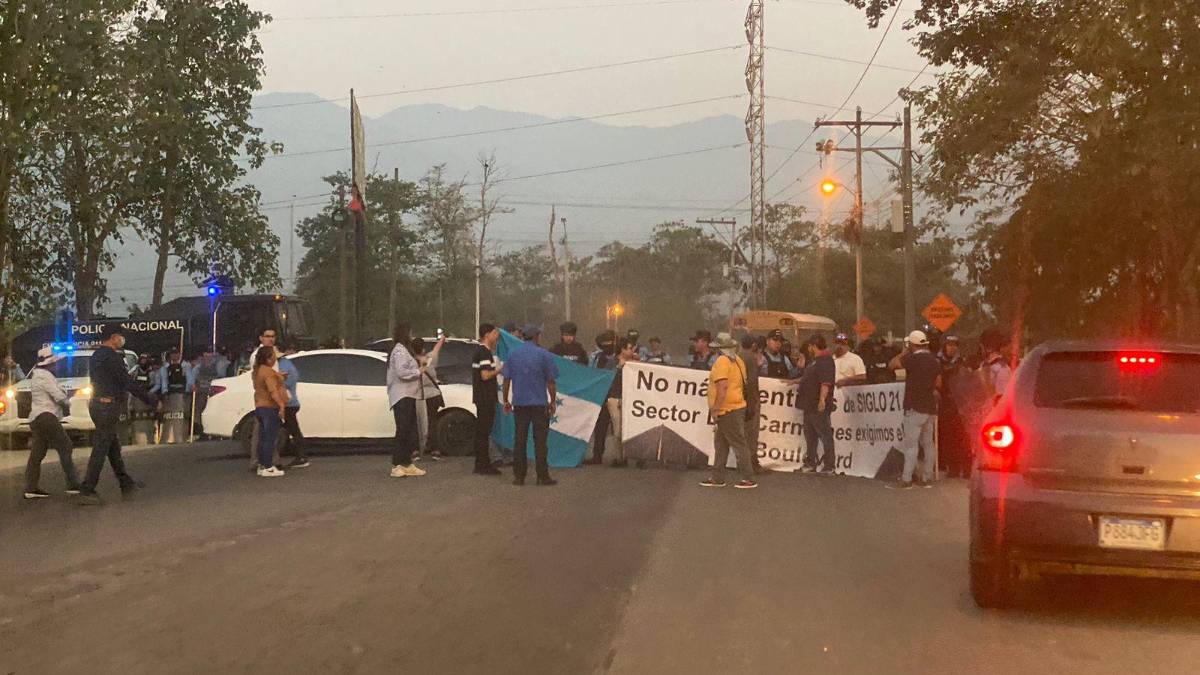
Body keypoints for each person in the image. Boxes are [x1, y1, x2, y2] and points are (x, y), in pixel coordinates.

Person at [77, 324, 155, 505]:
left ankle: (125, 482)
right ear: (113, 337)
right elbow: (126, 381)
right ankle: (87, 488)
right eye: (120, 336)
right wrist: (149, 399)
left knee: (112, 446)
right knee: (102, 446)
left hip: (98, 404)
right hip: (107, 405)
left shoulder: (96, 356)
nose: (122, 339)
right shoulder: (112, 357)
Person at [501, 324, 558, 486]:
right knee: (540, 441)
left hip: (520, 403)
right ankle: (542, 476)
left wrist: (506, 400)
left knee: (520, 440)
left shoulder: (513, 354)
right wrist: (552, 401)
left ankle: (519, 476)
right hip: (539, 404)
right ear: (536, 336)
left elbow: (506, 380)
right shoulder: (544, 354)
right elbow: (551, 382)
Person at [699, 333, 756, 489]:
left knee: (739, 444)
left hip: (727, 409)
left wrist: (715, 408)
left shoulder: (722, 362)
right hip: (737, 406)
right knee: (721, 444)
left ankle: (748, 478)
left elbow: (722, 387)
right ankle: (717, 477)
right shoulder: (738, 361)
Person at [23, 347, 80, 499]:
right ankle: (73, 484)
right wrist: (67, 401)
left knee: (37, 453)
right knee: (65, 446)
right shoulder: (45, 376)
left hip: (37, 417)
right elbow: (58, 396)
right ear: (50, 363)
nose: (58, 365)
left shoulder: (37, 375)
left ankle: (31, 487)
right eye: (56, 362)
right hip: (47, 416)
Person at [887, 330, 942, 489]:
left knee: (911, 445)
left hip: (914, 406)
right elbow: (939, 383)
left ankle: (906, 478)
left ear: (911, 344)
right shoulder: (934, 360)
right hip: (930, 407)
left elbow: (892, 365)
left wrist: (903, 352)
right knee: (928, 443)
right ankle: (927, 477)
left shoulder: (912, 359)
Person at [387, 324, 426, 479]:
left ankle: (406, 463)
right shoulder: (400, 350)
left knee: (409, 430)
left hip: (409, 394)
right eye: (410, 332)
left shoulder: (403, 350)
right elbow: (402, 372)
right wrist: (418, 371)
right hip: (402, 395)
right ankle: (397, 465)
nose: (412, 335)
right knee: (402, 430)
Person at [796, 334, 837, 474]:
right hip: (808, 405)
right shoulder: (815, 361)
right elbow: (810, 378)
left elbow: (825, 383)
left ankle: (830, 465)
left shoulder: (825, 361)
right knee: (810, 436)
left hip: (816, 405)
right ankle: (810, 462)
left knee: (824, 434)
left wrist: (822, 400)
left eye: (810, 346)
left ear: (814, 346)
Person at [471, 323, 504, 476]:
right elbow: (485, 375)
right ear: (487, 335)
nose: (496, 336)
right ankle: (483, 465)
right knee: (484, 432)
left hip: (483, 397)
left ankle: (482, 463)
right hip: (485, 397)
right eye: (494, 333)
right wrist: (499, 369)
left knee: (483, 431)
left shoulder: (483, 352)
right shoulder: (484, 353)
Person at [937, 335, 972, 478]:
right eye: (949, 345)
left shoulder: (962, 362)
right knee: (947, 436)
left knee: (962, 437)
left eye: (955, 345)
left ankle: (965, 468)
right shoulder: (937, 361)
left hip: (960, 404)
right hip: (945, 403)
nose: (952, 348)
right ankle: (951, 467)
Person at [251, 346, 288, 478]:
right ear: (268, 358)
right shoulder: (268, 372)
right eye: (273, 356)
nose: (275, 359)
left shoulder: (258, 371)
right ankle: (268, 466)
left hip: (260, 407)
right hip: (269, 408)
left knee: (263, 438)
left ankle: (262, 465)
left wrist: (279, 376)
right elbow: (272, 390)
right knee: (270, 439)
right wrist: (281, 404)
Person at [585, 330, 619, 465]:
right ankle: (597, 455)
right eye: (604, 345)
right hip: (601, 396)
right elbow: (590, 373)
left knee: (618, 429)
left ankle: (620, 457)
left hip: (617, 396)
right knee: (600, 428)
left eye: (609, 344)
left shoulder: (621, 358)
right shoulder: (596, 357)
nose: (607, 347)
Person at [605, 338, 639, 468]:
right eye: (629, 348)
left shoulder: (635, 362)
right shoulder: (612, 362)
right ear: (622, 349)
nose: (632, 351)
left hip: (631, 399)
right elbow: (607, 376)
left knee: (630, 428)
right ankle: (618, 457)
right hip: (615, 398)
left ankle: (630, 456)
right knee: (617, 429)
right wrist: (619, 366)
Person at [412, 335, 446, 462]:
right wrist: (442, 339)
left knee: (416, 424)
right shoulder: (429, 359)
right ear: (423, 349)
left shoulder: (411, 363)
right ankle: (435, 450)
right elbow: (437, 348)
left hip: (417, 396)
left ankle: (415, 451)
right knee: (433, 422)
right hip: (433, 395)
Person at [277, 340, 308, 469]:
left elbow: (284, 383)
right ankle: (300, 455)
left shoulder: (282, 366)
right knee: (293, 429)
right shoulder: (287, 363)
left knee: (293, 429)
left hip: (287, 402)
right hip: (290, 401)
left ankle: (301, 456)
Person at [741, 335, 765, 474]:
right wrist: (752, 402)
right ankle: (751, 464)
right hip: (749, 399)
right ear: (754, 345)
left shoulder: (738, 356)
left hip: (738, 398)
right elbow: (752, 382)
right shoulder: (750, 359)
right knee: (751, 433)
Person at [979, 328, 1012, 407]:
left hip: (994, 413)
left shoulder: (1001, 368)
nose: (981, 350)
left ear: (988, 348)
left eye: (982, 346)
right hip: (981, 411)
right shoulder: (985, 365)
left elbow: (1002, 396)